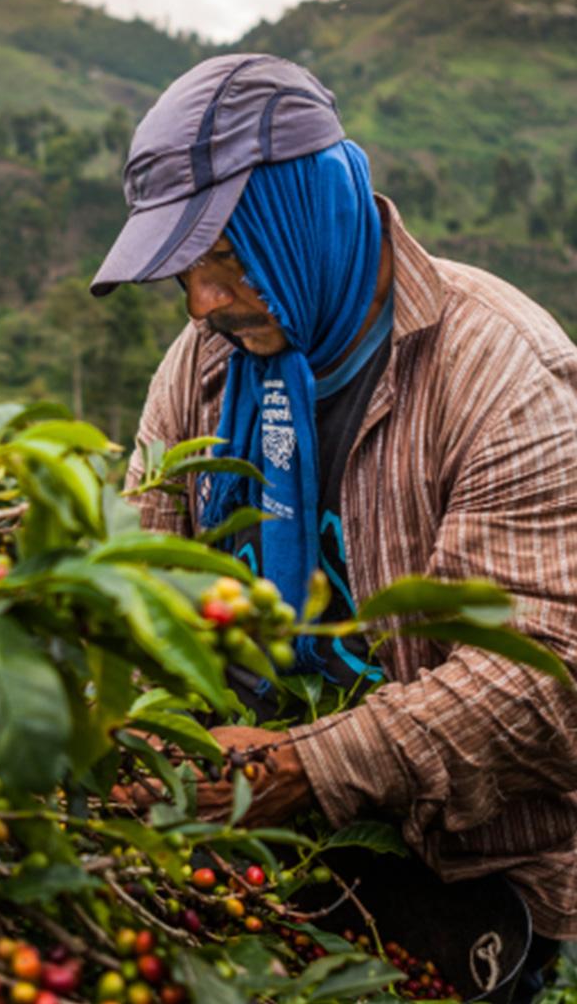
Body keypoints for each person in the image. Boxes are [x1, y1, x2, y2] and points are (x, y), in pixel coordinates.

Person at [91, 54, 577, 980]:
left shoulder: (502, 377)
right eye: (186, 272)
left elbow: (545, 674)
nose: (202, 304)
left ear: (305, 214)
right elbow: (143, 576)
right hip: (253, 850)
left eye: (228, 258)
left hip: (458, 874)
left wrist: (307, 765)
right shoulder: (202, 367)